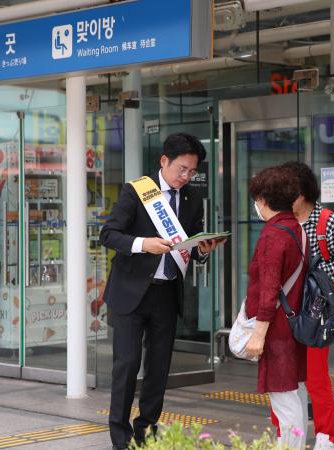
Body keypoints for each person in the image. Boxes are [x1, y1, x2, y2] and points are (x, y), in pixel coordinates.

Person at [99, 132, 224, 450]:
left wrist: (204, 248)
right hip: (131, 292)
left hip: (167, 293)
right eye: (182, 169)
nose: (186, 177)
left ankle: (146, 429)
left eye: (192, 172)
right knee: (126, 366)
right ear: (164, 161)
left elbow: (190, 246)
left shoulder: (192, 198)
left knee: (158, 368)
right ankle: (120, 437)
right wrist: (144, 244)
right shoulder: (137, 191)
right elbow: (109, 234)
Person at [281, 161, 334, 450]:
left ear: (302, 192)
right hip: (287, 309)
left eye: (289, 189)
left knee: (315, 374)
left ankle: (326, 436)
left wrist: (312, 278)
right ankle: (289, 434)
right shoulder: (283, 220)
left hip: (315, 309)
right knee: (286, 374)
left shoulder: (328, 222)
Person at [244, 165, 309, 449]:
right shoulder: (297, 228)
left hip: (277, 329)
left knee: (283, 398)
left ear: (262, 200)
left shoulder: (273, 234)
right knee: (295, 394)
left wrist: (258, 334)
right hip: (294, 322)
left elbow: (269, 289)